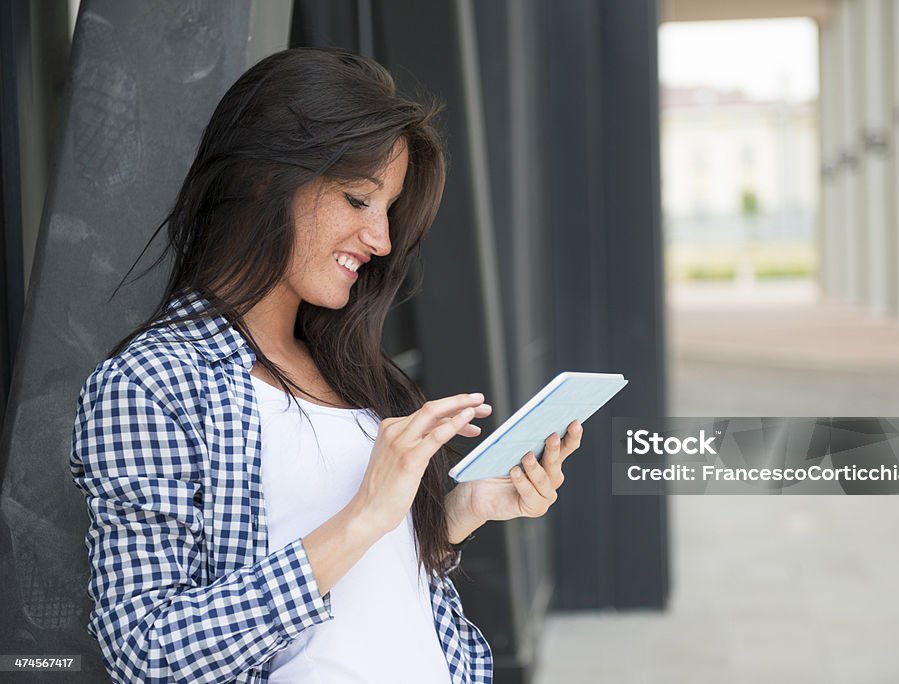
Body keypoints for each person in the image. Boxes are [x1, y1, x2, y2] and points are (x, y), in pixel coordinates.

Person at [69, 46, 583, 684]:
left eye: (388, 210)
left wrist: (461, 511)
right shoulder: (153, 382)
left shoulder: (346, 368)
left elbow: (370, 586)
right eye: (357, 199)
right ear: (265, 178)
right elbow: (146, 650)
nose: (382, 240)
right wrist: (365, 513)